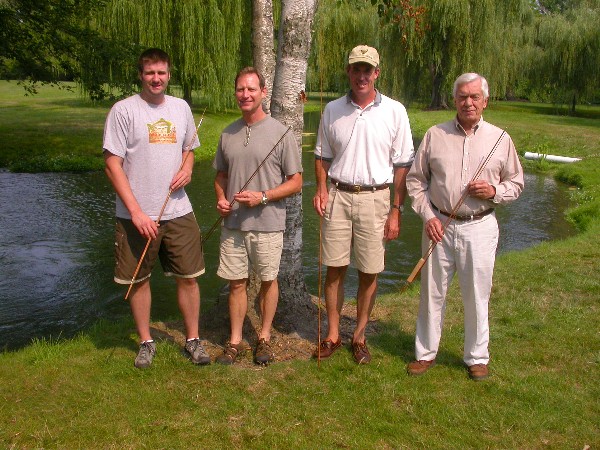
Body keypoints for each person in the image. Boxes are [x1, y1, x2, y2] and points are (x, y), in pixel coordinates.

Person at [406, 73, 524, 380]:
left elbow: (516, 183)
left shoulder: (501, 138)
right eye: (462, 97)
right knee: (432, 293)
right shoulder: (435, 134)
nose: (468, 102)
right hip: (439, 225)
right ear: (454, 100)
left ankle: (476, 357)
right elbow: (415, 182)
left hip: (480, 227)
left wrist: (494, 192)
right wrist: (428, 216)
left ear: (485, 101)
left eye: (474, 97)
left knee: (476, 294)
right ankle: (425, 353)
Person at [103, 48, 209, 368]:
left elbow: (189, 149)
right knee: (139, 280)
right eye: (150, 73)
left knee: (189, 277)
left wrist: (188, 168)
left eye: (161, 72)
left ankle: (193, 340)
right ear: (140, 75)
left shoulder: (181, 108)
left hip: (178, 211)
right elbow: (112, 164)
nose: (156, 79)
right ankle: (146, 341)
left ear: (169, 75)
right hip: (136, 215)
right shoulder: (123, 111)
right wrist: (136, 212)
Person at [313, 45, 414, 364]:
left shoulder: (395, 111)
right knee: (335, 267)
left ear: (377, 73)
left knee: (370, 271)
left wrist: (396, 209)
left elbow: (403, 166)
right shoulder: (332, 110)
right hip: (338, 195)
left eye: (367, 70)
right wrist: (320, 188)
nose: (361, 75)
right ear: (348, 72)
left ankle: (358, 336)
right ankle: (332, 334)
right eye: (356, 69)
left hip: (376, 198)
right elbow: (321, 155)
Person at [213, 67, 303, 366]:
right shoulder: (227, 133)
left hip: (268, 223)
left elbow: (296, 181)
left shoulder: (281, 133)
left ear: (263, 92)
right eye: (240, 89)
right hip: (234, 224)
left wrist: (263, 196)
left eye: (251, 89)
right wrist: (221, 199)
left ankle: (263, 337)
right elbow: (221, 175)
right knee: (236, 282)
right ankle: (236, 340)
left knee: (267, 280)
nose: (245, 94)